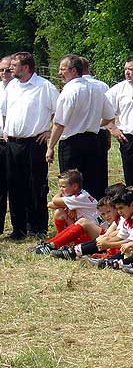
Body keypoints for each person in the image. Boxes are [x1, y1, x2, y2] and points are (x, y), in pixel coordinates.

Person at [4, 52, 59, 239]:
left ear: (25, 67)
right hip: (12, 143)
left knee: (36, 185)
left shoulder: (44, 87)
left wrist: (50, 131)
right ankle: (18, 228)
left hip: (34, 143)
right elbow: (5, 111)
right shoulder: (11, 86)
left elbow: (60, 113)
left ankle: (38, 227)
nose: (10, 68)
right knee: (15, 185)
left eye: (14, 64)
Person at [46, 54, 115, 200]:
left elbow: (59, 123)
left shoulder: (69, 91)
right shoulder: (97, 89)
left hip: (72, 144)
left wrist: (51, 146)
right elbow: (109, 116)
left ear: (73, 71)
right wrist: (95, 123)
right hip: (93, 141)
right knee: (93, 184)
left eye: (62, 69)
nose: (59, 73)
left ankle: (75, 219)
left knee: (71, 185)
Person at [106, 57, 133, 186]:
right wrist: (113, 129)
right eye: (125, 69)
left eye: (131, 69)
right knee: (131, 178)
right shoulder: (118, 90)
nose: (127, 72)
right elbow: (105, 112)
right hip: (129, 139)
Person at [80, 56, 110, 199]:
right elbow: (109, 113)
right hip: (100, 131)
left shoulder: (73, 86)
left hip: (81, 134)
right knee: (99, 173)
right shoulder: (102, 85)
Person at [0, 55, 13, 234]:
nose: (4, 73)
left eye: (8, 69)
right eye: (1, 70)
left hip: (16, 142)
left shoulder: (23, 89)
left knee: (19, 184)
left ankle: (25, 225)